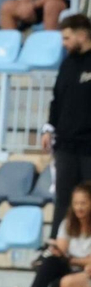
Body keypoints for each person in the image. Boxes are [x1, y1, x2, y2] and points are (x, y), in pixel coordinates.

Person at [44, 14, 91, 234]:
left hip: (89, 146)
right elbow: (57, 99)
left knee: (88, 200)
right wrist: (49, 127)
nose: (64, 43)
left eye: (67, 38)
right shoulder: (67, 63)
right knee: (64, 199)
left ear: (82, 35)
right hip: (66, 145)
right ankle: (57, 248)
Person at [29, 182, 91, 287]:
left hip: (85, 271)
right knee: (51, 260)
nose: (79, 207)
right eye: (76, 203)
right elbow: (62, 251)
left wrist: (71, 260)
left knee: (57, 286)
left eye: (83, 203)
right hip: (69, 266)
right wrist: (57, 251)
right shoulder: (68, 223)